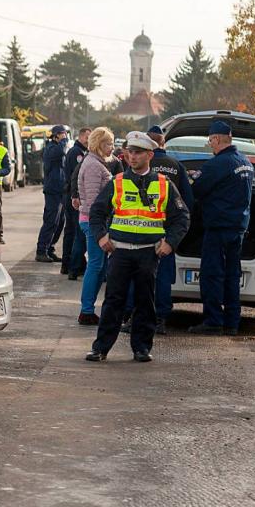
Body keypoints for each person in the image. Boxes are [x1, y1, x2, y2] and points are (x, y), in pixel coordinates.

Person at [85, 131, 189, 362]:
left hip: (148, 253)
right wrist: (101, 237)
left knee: (145, 301)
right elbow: (97, 212)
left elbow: (182, 217)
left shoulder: (164, 184)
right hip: (120, 251)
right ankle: (100, 348)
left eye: (138, 153)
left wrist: (170, 243)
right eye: (129, 152)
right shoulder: (117, 182)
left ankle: (141, 348)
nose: (132, 157)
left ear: (150, 155)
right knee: (113, 301)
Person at [189, 120, 254, 336]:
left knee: (212, 274)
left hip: (218, 228)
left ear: (216, 139)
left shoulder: (217, 164)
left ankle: (213, 321)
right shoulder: (245, 162)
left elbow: (196, 191)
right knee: (232, 275)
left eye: (210, 141)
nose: (210, 145)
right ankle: (232, 323)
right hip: (238, 228)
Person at [146, 125, 194, 335]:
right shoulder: (176, 166)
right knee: (163, 277)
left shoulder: (141, 164)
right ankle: (160, 318)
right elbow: (187, 201)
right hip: (166, 232)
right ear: (163, 143)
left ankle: (134, 317)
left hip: (141, 229)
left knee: (139, 276)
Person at [77, 127, 117, 325]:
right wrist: (100, 229)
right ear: (98, 144)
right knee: (95, 265)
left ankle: (88, 309)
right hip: (93, 223)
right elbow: (93, 202)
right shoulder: (93, 165)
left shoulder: (95, 162)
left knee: (98, 266)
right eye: (109, 143)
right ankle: (86, 310)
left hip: (95, 222)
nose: (112, 147)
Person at [35, 125, 70, 263]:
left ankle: (50, 249)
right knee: (51, 221)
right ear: (55, 135)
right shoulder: (51, 148)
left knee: (60, 222)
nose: (65, 137)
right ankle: (41, 250)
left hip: (61, 190)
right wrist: (63, 141)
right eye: (62, 134)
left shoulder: (59, 147)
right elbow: (60, 151)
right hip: (52, 190)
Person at [62, 127, 90, 279]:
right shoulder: (76, 153)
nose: (88, 140)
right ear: (80, 137)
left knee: (72, 231)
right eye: (87, 137)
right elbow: (75, 176)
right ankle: (70, 265)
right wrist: (76, 196)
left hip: (73, 195)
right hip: (73, 196)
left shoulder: (81, 152)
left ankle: (70, 265)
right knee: (73, 231)